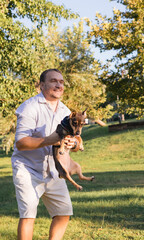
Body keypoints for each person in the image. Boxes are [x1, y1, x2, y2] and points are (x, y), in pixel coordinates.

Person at [11, 69, 76, 240]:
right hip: (28, 169)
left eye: (61, 82)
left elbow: (75, 139)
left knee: (63, 213)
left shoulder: (65, 111)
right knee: (28, 214)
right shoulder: (29, 107)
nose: (59, 85)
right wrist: (51, 140)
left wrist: (73, 143)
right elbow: (21, 143)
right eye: (54, 81)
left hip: (54, 171)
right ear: (42, 85)